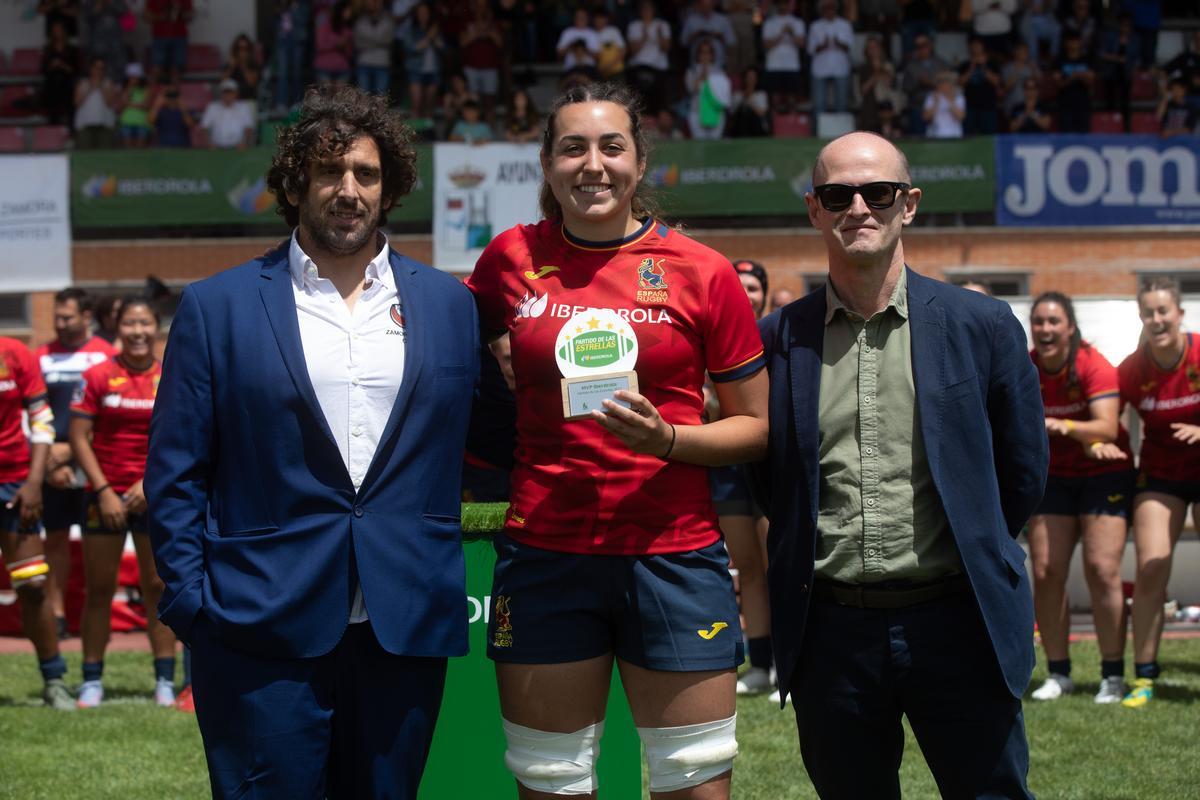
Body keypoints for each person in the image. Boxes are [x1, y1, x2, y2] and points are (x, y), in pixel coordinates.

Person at [146, 83, 481, 798]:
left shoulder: (451, 305)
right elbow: (176, 471)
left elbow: (485, 440)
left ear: (389, 188)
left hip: (403, 622)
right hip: (256, 623)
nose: (348, 190)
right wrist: (194, 604)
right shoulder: (216, 305)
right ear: (295, 183)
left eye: (365, 173)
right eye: (329, 171)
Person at [464, 81, 768, 800]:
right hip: (544, 555)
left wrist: (669, 439)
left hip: (676, 554)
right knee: (552, 781)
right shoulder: (508, 258)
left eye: (611, 146)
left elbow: (756, 427)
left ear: (639, 161)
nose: (592, 165)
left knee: (692, 781)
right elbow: (454, 355)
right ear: (547, 164)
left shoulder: (703, 269)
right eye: (573, 148)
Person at [755, 131, 1047, 798]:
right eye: (838, 195)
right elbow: (773, 483)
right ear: (815, 209)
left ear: (908, 204)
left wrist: (974, 540)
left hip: (960, 619)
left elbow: (1023, 471)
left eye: (878, 192)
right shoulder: (777, 339)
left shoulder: (983, 325)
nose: (858, 208)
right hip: (831, 632)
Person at [69, 298, 178, 708]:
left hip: (155, 495)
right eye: (130, 323)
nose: (137, 332)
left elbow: (181, 437)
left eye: (145, 323)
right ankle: (91, 679)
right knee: (99, 589)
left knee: (158, 588)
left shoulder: (170, 375)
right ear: (118, 328)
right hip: (104, 498)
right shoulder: (97, 375)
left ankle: (164, 680)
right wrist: (103, 491)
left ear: (156, 328)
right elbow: (78, 437)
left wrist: (149, 484)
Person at [1025, 292, 1133, 705]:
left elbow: (1106, 428)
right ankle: (1059, 673)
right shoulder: (1026, 366)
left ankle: (1112, 675)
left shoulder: (1093, 364)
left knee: (1102, 570)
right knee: (1046, 570)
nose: (1046, 329)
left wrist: (1063, 426)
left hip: (1104, 473)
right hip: (1053, 476)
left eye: (1054, 321)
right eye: (1039, 321)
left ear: (1070, 327)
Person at [1115, 276, 1200, 708]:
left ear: (1180, 313)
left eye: (1163, 310)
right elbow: (1107, 417)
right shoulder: (1132, 369)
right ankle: (1144, 676)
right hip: (1161, 474)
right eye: (1148, 312)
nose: (1156, 319)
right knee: (1151, 565)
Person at [33, 288, 117, 639]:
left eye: (67, 317)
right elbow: (32, 412)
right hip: (52, 464)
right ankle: (57, 616)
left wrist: (74, 450)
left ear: (86, 317)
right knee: (54, 540)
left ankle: (100, 617)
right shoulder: (40, 357)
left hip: (96, 464)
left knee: (100, 540)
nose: (60, 323)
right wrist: (51, 462)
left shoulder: (107, 355)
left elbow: (113, 415)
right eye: (57, 317)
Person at [0, 336, 74, 710]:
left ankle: (54, 679)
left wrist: (33, 481)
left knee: (33, 585)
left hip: (14, 484)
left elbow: (42, 420)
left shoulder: (15, 353)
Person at [716, 260, 774, 699]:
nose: (746, 294)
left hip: (772, 464)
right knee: (748, 567)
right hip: (726, 468)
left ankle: (787, 663)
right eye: (738, 286)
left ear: (764, 295)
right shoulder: (712, 335)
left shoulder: (774, 334)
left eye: (753, 287)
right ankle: (761, 664)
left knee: (778, 566)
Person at [807, 0, 853, 114]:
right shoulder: (815, 26)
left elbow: (850, 48)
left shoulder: (845, 25)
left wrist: (838, 43)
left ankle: (841, 126)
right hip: (820, 70)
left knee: (841, 104)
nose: (829, 10)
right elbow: (810, 50)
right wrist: (822, 46)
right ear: (821, 10)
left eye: (832, 7)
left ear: (835, 9)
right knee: (819, 104)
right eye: (826, 8)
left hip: (840, 69)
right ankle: (819, 126)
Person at [761, 0, 805, 116]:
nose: (783, 6)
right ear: (777, 5)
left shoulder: (797, 22)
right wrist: (781, 34)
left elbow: (801, 44)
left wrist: (791, 33)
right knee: (775, 97)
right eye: (781, 3)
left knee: (792, 96)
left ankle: (791, 119)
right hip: (774, 65)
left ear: (789, 5)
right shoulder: (770, 23)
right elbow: (766, 45)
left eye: (785, 3)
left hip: (792, 65)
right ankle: (775, 120)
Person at [685, 39, 732, 140]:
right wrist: (702, 75)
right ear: (698, 55)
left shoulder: (719, 72)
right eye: (702, 52)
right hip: (696, 112)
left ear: (712, 55)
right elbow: (691, 89)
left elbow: (723, 94)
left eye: (708, 52)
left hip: (715, 111)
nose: (705, 55)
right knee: (699, 144)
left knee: (714, 144)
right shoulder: (691, 72)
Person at [402, 2, 442, 119]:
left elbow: (443, 48)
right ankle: (415, 129)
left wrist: (434, 37)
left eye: (425, 12)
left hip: (433, 70)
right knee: (416, 104)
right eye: (420, 12)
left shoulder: (435, 30)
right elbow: (410, 48)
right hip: (415, 70)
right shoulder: (411, 30)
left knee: (430, 105)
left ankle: (428, 129)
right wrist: (429, 36)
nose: (423, 15)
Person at [144, 0, 192, 85]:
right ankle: (151, 92)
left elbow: (190, 16)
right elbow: (146, 16)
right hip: (160, 37)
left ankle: (175, 93)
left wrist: (179, 11)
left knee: (176, 71)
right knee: (156, 69)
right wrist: (161, 16)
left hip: (179, 37)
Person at [354, 0, 395, 96]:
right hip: (364, 62)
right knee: (363, 98)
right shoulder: (360, 20)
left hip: (382, 63)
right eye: (369, 1)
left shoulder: (388, 19)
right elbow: (358, 42)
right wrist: (379, 41)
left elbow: (388, 40)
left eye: (375, 1)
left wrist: (367, 41)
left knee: (381, 97)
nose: (372, 3)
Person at [198, 79, 255, 149]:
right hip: (217, 148)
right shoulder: (212, 107)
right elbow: (204, 128)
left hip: (238, 148)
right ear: (221, 93)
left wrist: (244, 143)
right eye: (225, 92)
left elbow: (249, 128)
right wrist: (209, 143)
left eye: (230, 92)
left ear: (236, 93)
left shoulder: (244, 107)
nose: (228, 95)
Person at [117, 62, 152, 148]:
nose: (133, 79)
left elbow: (146, 105)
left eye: (135, 77)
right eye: (131, 77)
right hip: (126, 122)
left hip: (142, 122)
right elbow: (122, 104)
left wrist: (129, 104)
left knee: (140, 149)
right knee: (128, 149)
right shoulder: (125, 89)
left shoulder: (146, 89)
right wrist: (130, 88)